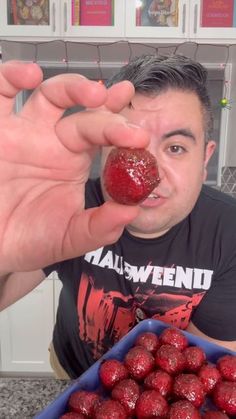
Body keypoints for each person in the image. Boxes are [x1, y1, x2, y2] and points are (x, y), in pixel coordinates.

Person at [0, 55, 235, 381]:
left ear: (205, 158)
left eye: (176, 148)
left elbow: (200, 376)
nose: (150, 174)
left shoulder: (228, 231)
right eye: (128, 145)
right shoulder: (68, 206)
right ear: (102, 150)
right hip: (73, 376)